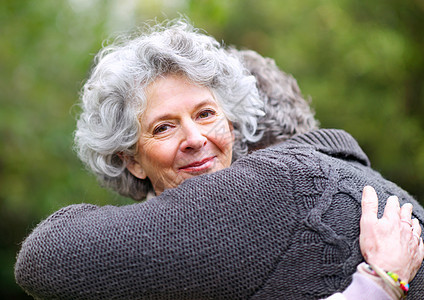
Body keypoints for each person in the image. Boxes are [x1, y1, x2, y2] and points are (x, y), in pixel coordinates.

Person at [14, 19, 424, 299]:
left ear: (233, 124)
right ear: (132, 161)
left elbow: (41, 258)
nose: (195, 138)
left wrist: (381, 284)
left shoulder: (254, 194)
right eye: (164, 127)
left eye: (206, 114)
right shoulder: (339, 175)